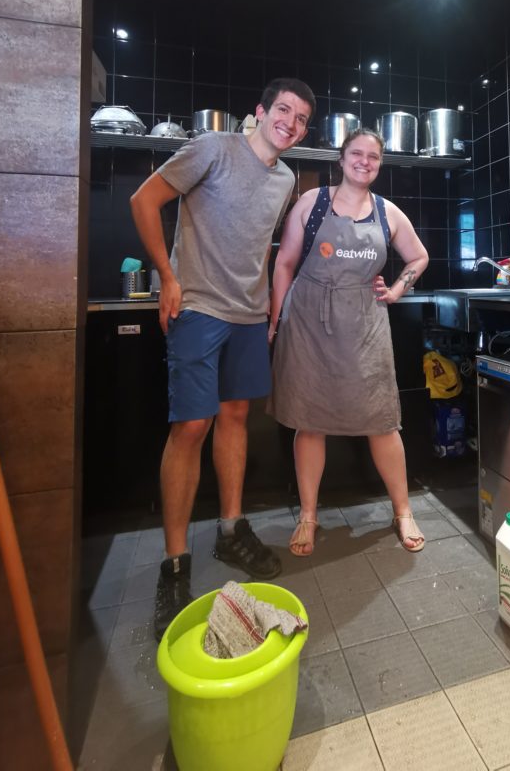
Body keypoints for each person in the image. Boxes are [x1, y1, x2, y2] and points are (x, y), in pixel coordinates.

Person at [130, 77, 315, 639]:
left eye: (301, 119)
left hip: (249, 316)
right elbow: (144, 201)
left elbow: (258, 247)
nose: (291, 123)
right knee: (192, 426)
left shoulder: (285, 179)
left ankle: (231, 530)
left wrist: (267, 309)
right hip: (198, 309)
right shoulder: (213, 149)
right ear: (261, 111)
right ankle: (175, 562)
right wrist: (167, 277)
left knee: (236, 417)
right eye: (283, 110)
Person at [268, 128, 429, 557]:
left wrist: (397, 289)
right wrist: (276, 319)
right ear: (341, 159)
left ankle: (403, 511)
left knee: (381, 419)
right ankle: (308, 516)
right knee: (309, 420)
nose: (364, 162)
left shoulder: (388, 212)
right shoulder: (312, 202)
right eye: (356, 154)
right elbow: (284, 263)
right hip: (308, 321)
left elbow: (419, 256)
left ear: (380, 164)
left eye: (373, 157)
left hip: (364, 325)